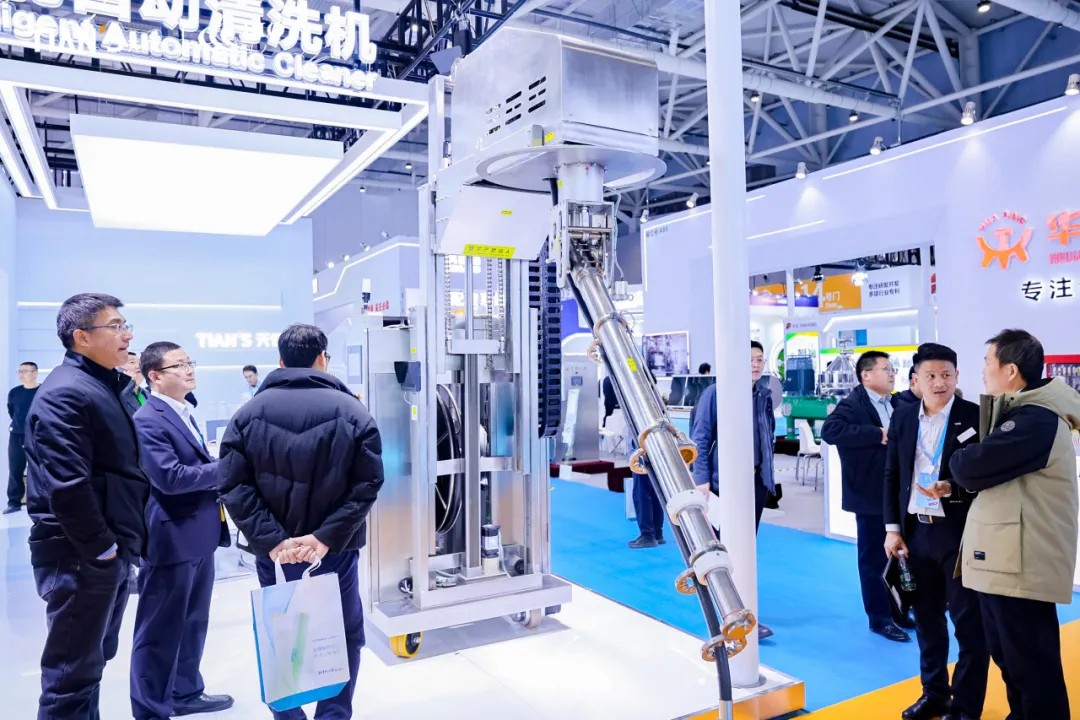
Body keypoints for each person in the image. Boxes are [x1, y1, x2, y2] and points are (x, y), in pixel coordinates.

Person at [220, 324, 385, 720]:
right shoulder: (353, 412)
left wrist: (273, 541)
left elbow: (232, 485)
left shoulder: (246, 415)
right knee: (343, 634)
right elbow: (368, 483)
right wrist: (325, 537)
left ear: (280, 361)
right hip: (334, 552)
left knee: (279, 632)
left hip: (274, 555)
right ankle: (333, 715)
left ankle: (289, 716)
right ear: (322, 358)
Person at [24, 293, 149, 720]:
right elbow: (68, 486)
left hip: (106, 552)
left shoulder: (103, 385)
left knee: (89, 667)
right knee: (69, 678)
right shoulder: (66, 392)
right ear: (81, 336)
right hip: (79, 555)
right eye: (115, 327)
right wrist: (102, 550)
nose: (126, 335)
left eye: (125, 325)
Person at [950, 329, 1079, 720]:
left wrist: (961, 457)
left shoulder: (1035, 419)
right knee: (1013, 662)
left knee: (1032, 668)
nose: (982, 371)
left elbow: (970, 467)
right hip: (1006, 562)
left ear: (1010, 370)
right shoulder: (1023, 415)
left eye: (987, 363)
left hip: (1020, 565)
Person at [883, 343, 988, 720]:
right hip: (916, 532)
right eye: (930, 375)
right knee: (926, 619)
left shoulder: (976, 417)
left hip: (960, 534)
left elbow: (987, 477)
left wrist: (953, 488)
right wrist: (892, 529)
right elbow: (892, 474)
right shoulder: (903, 417)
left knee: (968, 623)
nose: (939, 382)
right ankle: (934, 693)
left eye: (946, 375)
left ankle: (966, 707)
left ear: (957, 376)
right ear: (916, 380)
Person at [130, 342, 233, 720]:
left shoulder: (183, 409)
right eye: (179, 365)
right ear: (154, 376)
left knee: (192, 622)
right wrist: (227, 467)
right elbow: (170, 478)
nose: (189, 370)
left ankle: (185, 692)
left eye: (190, 362)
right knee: (159, 631)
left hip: (198, 534)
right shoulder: (148, 418)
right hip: (171, 538)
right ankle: (151, 708)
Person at [820, 350, 911, 643]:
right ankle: (879, 619)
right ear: (866, 375)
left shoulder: (897, 402)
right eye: (886, 368)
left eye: (892, 368)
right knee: (873, 559)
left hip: (900, 491)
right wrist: (877, 434)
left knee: (900, 555)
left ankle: (899, 610)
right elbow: (830, 431)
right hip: (871, 494)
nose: (892, 373)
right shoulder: (853, 404)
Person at [691, 341, 776, 638]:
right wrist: (701, 478)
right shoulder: (716, 393)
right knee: (726, 549)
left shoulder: (763, 395)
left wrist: (768, 478)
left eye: (760, 359)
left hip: (756, 482)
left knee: (746, 548)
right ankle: (729, 612)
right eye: (750, 359)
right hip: (724, 484)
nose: (756, 364)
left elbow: (767, 437)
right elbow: (700, 437)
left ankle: (741, 607)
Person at [6, 361, 39, 513]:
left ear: (34, 373)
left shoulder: (42, 391)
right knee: (15, 469)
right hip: (16, 436)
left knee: (36, 469)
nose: (21, 374)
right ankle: (14, 503)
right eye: (19, 371)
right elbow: (12, 412)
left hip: (37, 435)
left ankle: (37, 503)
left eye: (25, 371)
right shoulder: (14, 393)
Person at [120, 351, 150, 417]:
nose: (138, 366)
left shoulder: (147, 393)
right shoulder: (116, 395)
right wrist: (128, 382)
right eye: (132, 362)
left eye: (139, 363)